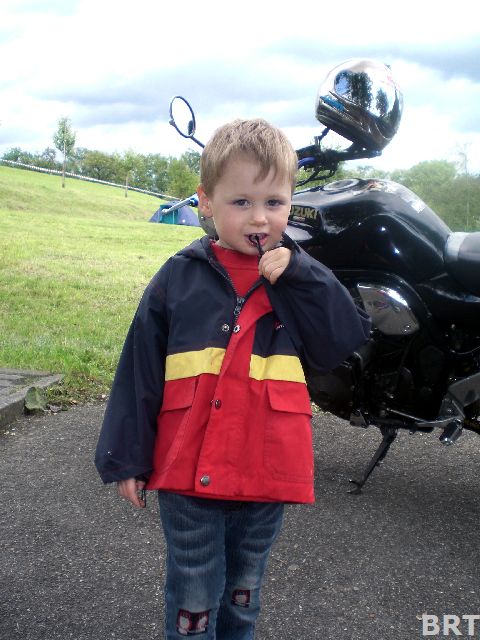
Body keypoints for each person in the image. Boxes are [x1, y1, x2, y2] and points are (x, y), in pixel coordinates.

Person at [95, 118, 371, 639]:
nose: (260, 217)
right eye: (241, 201)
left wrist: (304, 274)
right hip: (187, 472)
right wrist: (126, 456)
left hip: (266, 473)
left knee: (244, 595)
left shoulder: (301, 276)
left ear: (292, 203)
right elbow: (139, 369)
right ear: (206, 201)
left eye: (274, 202)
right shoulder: (178, 275)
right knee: (194, 598)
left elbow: (341, 343)